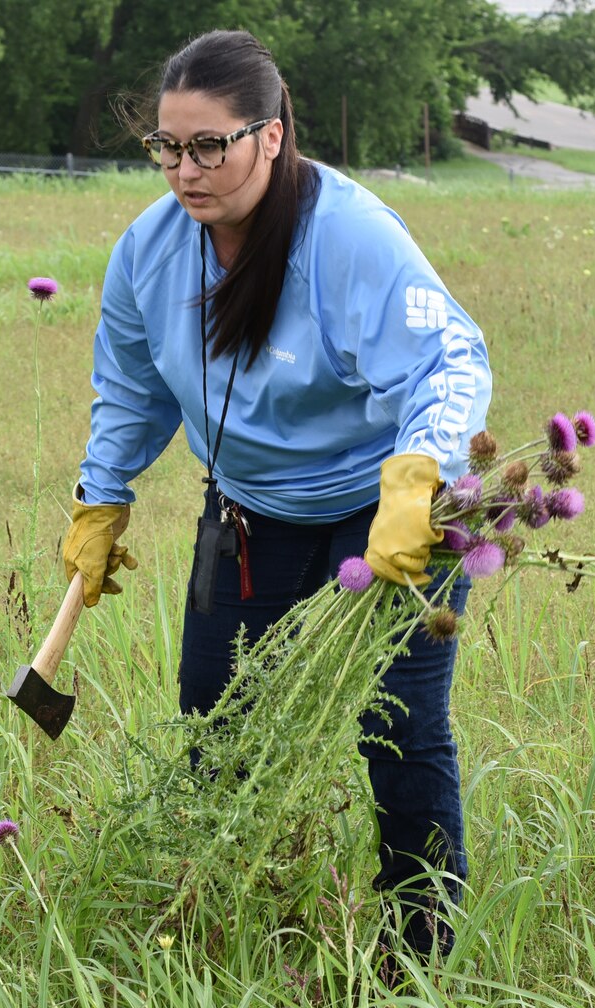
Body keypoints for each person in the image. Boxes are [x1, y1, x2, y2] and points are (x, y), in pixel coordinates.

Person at [60, 29, 493, 957]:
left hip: (382, 522)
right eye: (169, 147)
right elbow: (132, 390)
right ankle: (213, 934)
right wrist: (103, 496)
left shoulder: (347, 237)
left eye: (210, 145)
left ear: (270, 134)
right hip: (247, 520)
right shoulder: (149, 252)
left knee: (402, 734)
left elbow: (448, 360)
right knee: (216, 722)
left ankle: (416, 957)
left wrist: (417, 480)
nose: (186, 170)